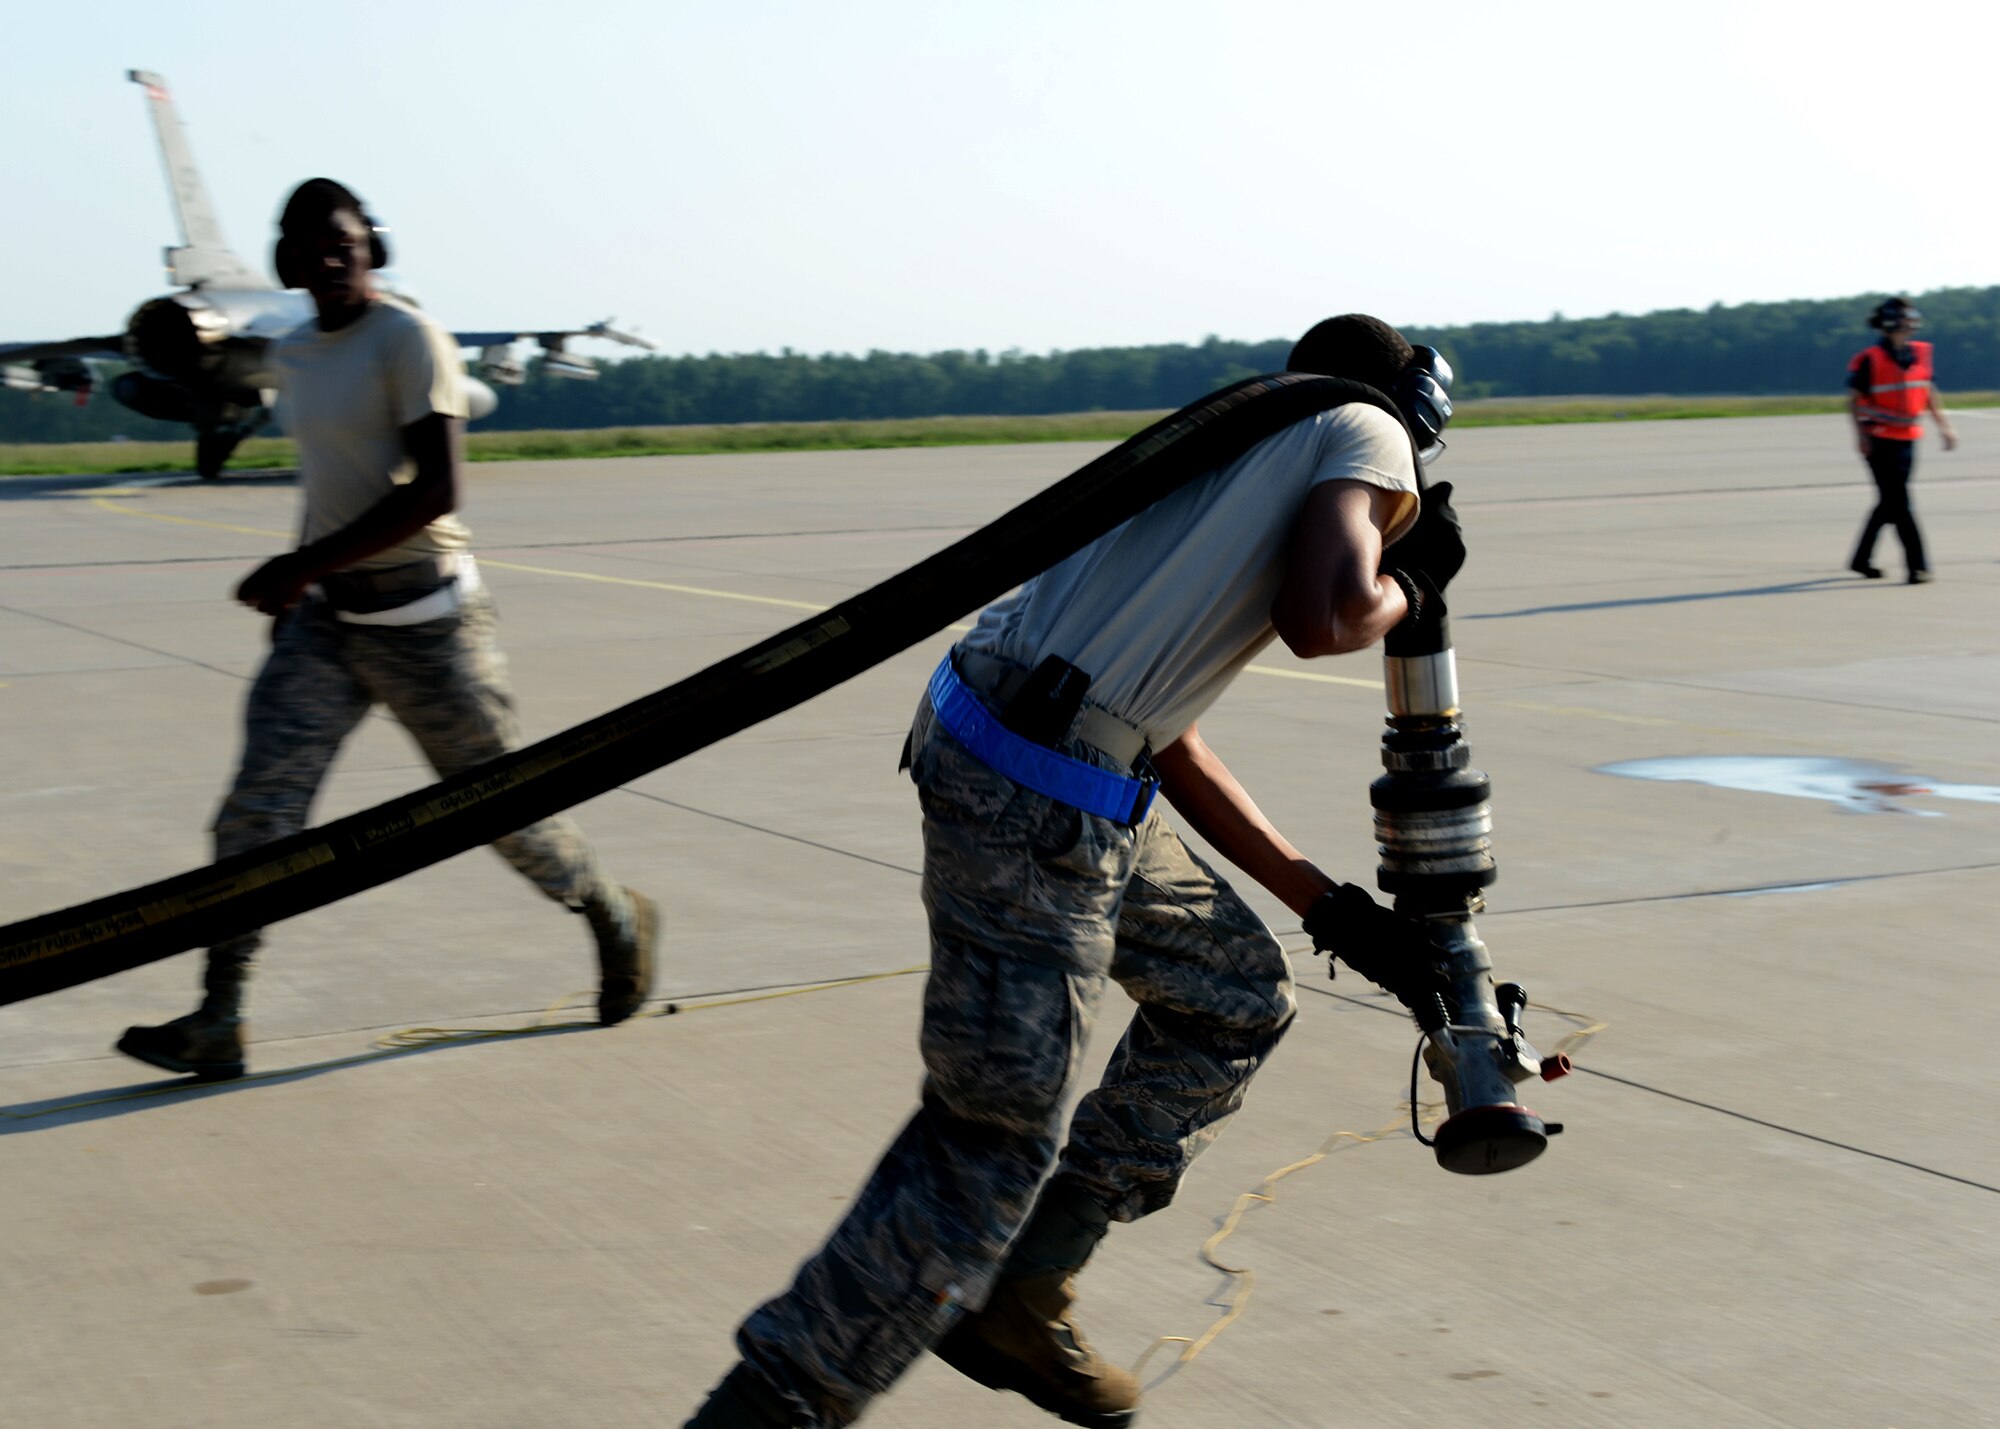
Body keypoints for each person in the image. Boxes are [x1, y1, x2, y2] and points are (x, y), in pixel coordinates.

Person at [685, 315, 1466, 1428]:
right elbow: (1323, 614)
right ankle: (771, 1407)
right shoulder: (1362, 428)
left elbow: (1162, 736)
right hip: (1037, 791)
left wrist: (1331, 910)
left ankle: (1023, 1289)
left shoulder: (1224, 440)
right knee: (988, 1138)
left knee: (1233, 995)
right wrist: (1405, 580)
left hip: (1031, 749)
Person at [114, 178, 658, 1081]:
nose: (332, 259)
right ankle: (221, 1013)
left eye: (347, 244)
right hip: (327, 624)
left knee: (504, 815)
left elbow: (438, 490)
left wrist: (300, 566)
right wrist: (302, 578)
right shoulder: (294, 353)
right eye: (313, 248)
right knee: (257, 809)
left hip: (429, 624)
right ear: (288, 262)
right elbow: (329, 483)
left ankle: (612, 913)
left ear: (375, 250)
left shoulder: (411, 338)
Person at [1848, 296, 1956, 584]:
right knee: (1901, 503)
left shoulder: (1919, 354)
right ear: (1890, 322)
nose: (1910, 323)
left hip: (1907, 439)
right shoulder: (1870, 359)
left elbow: (1928, 393)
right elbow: (1854, 401)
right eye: (1904, 318)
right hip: (1878, 440)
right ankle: (1917, 566)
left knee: (1889, 502)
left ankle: (1861, 559)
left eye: (1911, 317)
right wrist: (1860, 437)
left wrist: (1944, 427)